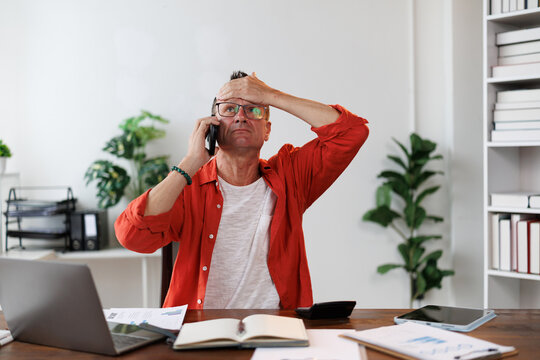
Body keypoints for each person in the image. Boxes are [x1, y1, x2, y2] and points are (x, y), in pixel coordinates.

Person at [115, 71, 369, 309]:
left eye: (253, 109)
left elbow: (353, 132)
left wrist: (269, 95)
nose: (240, 116)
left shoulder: (291, 176)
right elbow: (132, 237)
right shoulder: (187, 185)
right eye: (229, 109)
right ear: (212, 126)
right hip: (200, 333)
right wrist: (190, 163)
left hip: (276, 331)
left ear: (267, 130)